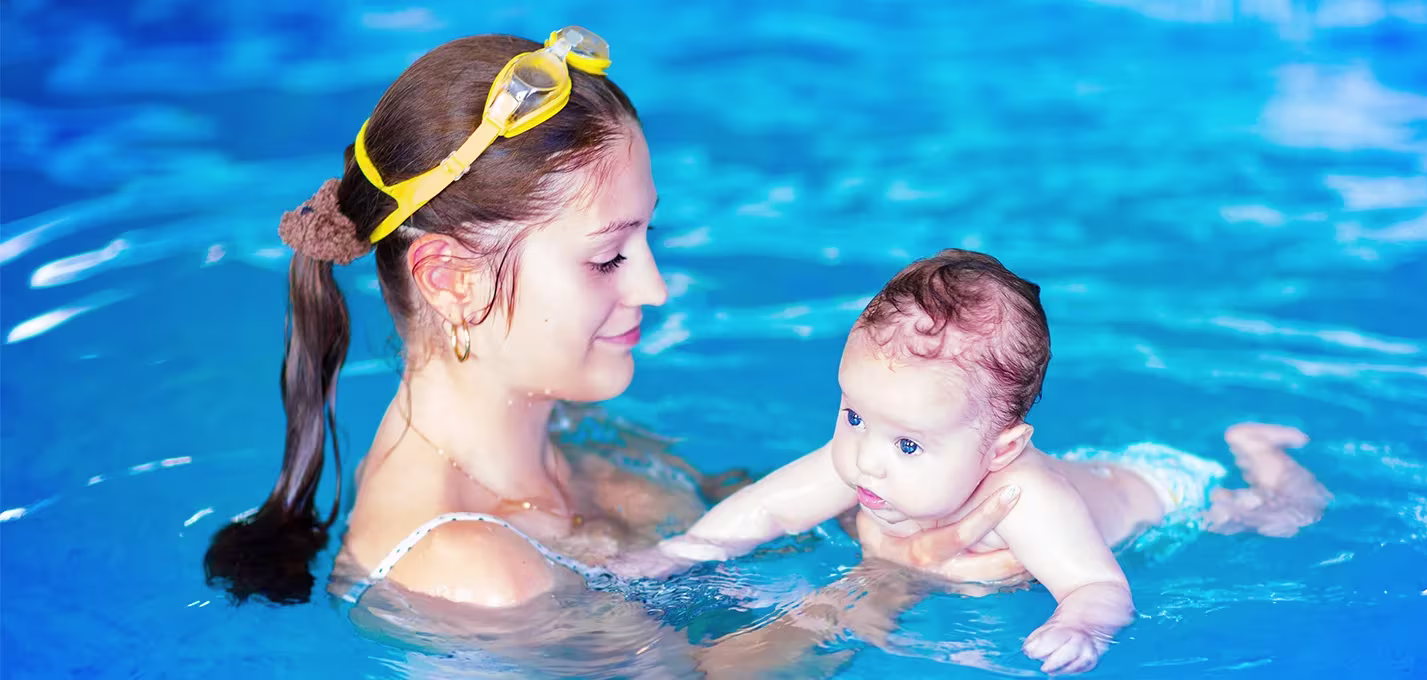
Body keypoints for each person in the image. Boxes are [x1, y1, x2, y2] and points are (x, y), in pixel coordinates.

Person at [201, 26, 1025, 676]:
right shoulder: (468, 571)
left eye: (647, 238)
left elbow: (743, 514)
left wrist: (913, 500)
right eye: (606, 257)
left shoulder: (559, 438)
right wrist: (894, 581)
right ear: (452, 281)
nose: (656, 288)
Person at [611, 248, 1332, 675]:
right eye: (852, 413)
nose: (865, 457)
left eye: (908, 444)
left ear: (1000, 452)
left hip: (1166, 495)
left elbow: (1096, 584)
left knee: (1281, 520)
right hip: (1091, 469)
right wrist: (682, 551)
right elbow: (765, 508)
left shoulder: (1027, 497)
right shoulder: (871, 454)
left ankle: (1258, 454)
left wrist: (1084, 623)